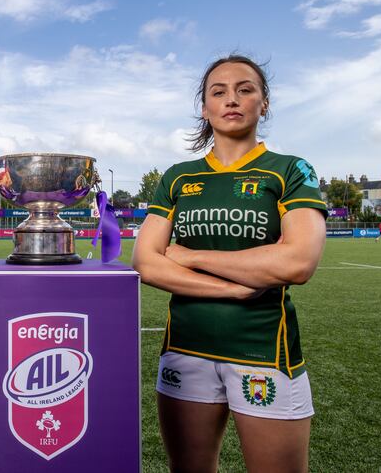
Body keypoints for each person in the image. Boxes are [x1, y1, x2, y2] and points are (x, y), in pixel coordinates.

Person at [132, 55, 327, 473]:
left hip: (264, 352)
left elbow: (298, 261)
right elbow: (146, 263)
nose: (231, 99)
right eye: (218, 92)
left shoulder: (290, 170)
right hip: (186, 351)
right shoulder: (178, 177)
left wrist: (191, 255)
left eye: (245, 89)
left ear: (264, 102)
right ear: (204, 108)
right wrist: (235, 286)